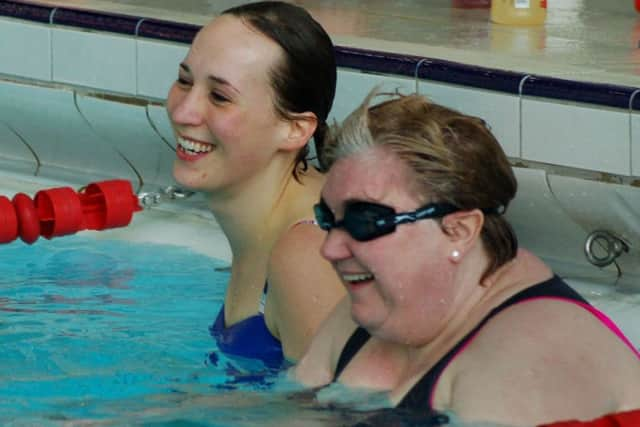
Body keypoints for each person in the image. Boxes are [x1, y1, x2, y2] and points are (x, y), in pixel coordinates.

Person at [294, 89, 640, 426]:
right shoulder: (374, 311)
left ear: (458, 231)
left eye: (365, 221)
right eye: (329, 219)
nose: (330, 248)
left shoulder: (522, 366)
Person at [166, 1, 345, 371]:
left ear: (294, 129)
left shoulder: (310, 255)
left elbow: (331, 416)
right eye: (185, 81)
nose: (183, 112)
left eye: (220, 97)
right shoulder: (260, 224)